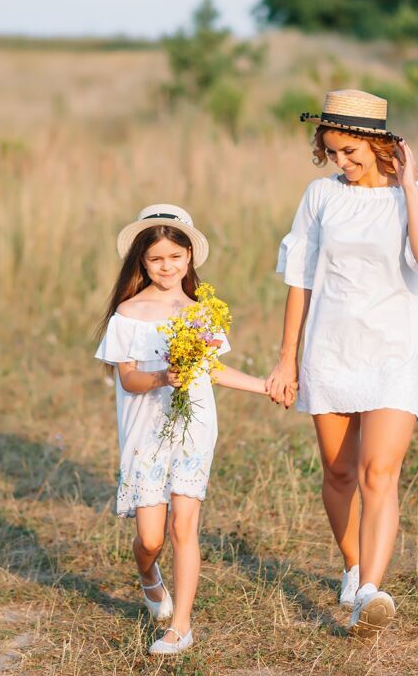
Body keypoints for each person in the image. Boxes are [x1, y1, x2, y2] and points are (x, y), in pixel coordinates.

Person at [266, 89, 418, 637]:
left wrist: (408, 185)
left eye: (351, 152)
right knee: (339, 472)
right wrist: (287, 360)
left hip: (395, 352)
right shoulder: (319, 197)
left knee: (381, 472)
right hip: (329, 348)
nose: (342, 164)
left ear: (379, 144)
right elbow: (299, 278)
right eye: (332, 153)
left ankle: (371, 594)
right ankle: (353, 568)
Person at [95, 204, 268, 655]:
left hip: (194, 427)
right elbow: (129, 379)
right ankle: (148, 575)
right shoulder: (127, 313)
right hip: (145, 428)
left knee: (183, 528)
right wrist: (162, 377)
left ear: (189, 257)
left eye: (175, 256)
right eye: (156, 259)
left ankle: (181, 628)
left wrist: (266, 386)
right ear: (141, 262)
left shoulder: (201, 311)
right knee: (151, 537)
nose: (166, 267)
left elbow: (213, 370)